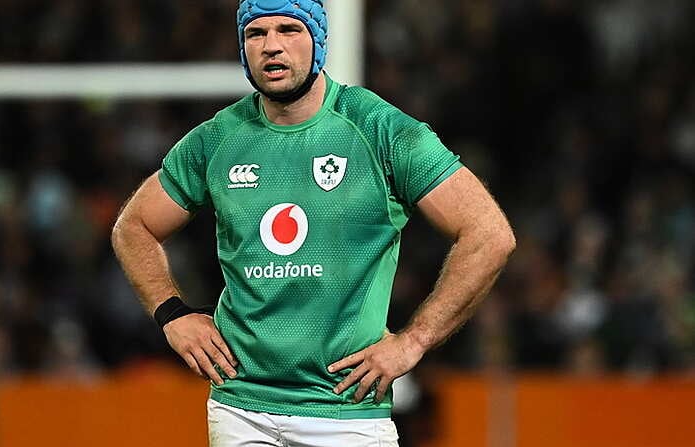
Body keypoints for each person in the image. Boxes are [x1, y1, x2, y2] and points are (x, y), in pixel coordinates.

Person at [111, 0, 515, 445]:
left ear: (319, 40)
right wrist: (172, 315)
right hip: (240, 408)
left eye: (288, 29)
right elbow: (133, 227)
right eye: (256, 34)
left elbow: (489, 234)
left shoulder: (379, 129)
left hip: (346, 411)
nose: (271, 47)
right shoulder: (219, 138)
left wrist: (413, 342)